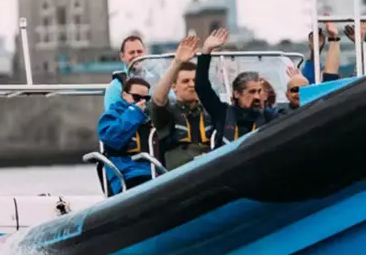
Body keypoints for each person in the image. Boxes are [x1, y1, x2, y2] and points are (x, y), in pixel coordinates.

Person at [195, 28, 280, 148]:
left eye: (259, 91)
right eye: (251, 92)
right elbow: (201, 86)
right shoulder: (222, 113)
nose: (256, 96)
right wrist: (206, 51)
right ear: (237, 94)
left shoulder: (269, 116)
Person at [149, 35, 213, 171]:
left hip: (211, 171)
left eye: (194, 81)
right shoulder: (168, 113)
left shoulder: (211, 111)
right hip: (181, 175)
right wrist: (177, 62)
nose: (191, 85)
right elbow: (158, 100)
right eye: (185, 81)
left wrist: (207, 51)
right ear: (174, 87)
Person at [96, 75, 155, 194]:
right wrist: (134, 112)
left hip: (154, 170)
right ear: (124, 95)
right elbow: (112, 138)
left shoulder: (152, 117)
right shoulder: (111, 116)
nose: (142, 102)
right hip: (127, 173)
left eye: (146, 98)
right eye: (136, 97)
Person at [103, 35, 148, 110]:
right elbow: (112, 119)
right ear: (122, 56)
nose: (136, 55)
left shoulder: (156, 78)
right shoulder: (116, 87)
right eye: (131, 52)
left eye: (139, 52)